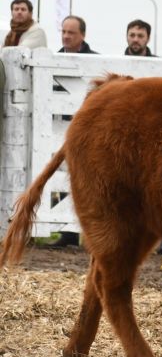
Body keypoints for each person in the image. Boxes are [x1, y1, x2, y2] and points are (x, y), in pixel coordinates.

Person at [48, 15, 98, 248]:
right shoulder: (53, 60)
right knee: (64, 178)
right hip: (61, 127)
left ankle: (90, 234)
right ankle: (67, 233)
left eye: (71, 32)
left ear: (83, 35)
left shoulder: (96, 62)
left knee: (89, 181)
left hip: (89, 130)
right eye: (64, 32)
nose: (66, 36)